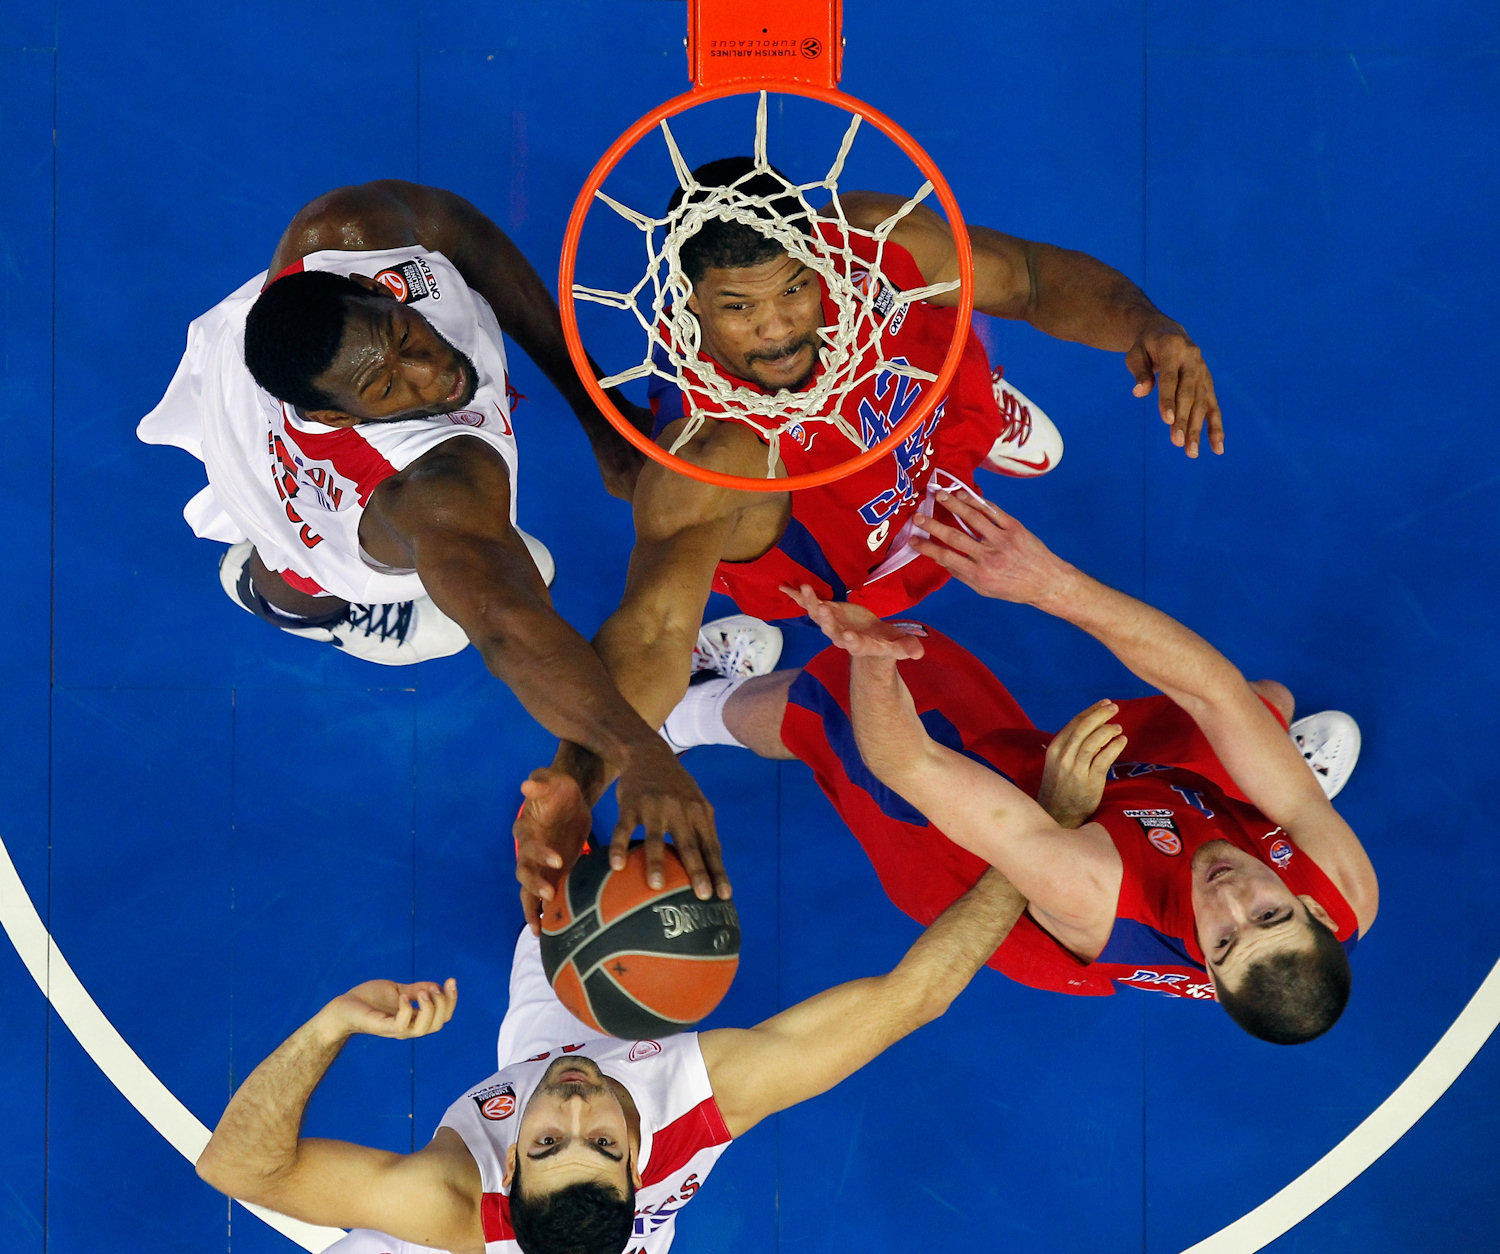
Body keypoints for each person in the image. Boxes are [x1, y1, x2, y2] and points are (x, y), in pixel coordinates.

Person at [514, 157, 1224, 920]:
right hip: (828, 545)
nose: (777, 327)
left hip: (917, 437)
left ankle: (974, 419)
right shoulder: (709, 453)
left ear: (818, 255)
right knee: (762, 542)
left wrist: (1151, 328)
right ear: (690, 303)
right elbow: (656, 626)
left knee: (950, 297)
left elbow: (1029, 277)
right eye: (738, 308)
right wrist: (582, 778)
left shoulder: (874, 238)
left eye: (793, 289)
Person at [137, 180, 728, 898]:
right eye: (388, 388)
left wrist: (597, 413)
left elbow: (467, 236)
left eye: (403, 337)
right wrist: (639, 753)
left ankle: (277, 575)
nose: (432, 373)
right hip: (293, 469)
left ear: (375, 292)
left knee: (487, 560)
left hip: (249, 372)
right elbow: (506, 627)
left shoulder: (344, 233)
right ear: (338, 417)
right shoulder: (433, 489)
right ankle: (297, 606)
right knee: (305, 565)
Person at [662, 494, 1377, 1044]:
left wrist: (871, 661)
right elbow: (1212, 691)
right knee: (1258, 706)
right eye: (1269, 912)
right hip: (1147, 801)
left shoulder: (1093, 890)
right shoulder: (1348, 888)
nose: (1229, 900)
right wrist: (1049, 583)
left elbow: (911, 763)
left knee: (836, 704)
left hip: (1010, 852)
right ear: (1317, 910)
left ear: (1210, 974)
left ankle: (689, 711)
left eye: (1223, 940)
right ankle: (1268, 793)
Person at [194, 863, 1027, 1254]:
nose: (575, 1106)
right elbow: (915, 996)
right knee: (588, 895)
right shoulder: (695, 1102)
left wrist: (330, 1026)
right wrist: (1035, 847)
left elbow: (237, 1169)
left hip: (522, 1089)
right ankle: (684, 712)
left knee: (564, 894)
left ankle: (668, 715)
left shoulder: (453, 1202)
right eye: (600, 1141)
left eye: (548, 1142)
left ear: (508, 1163)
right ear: (639, 1162)